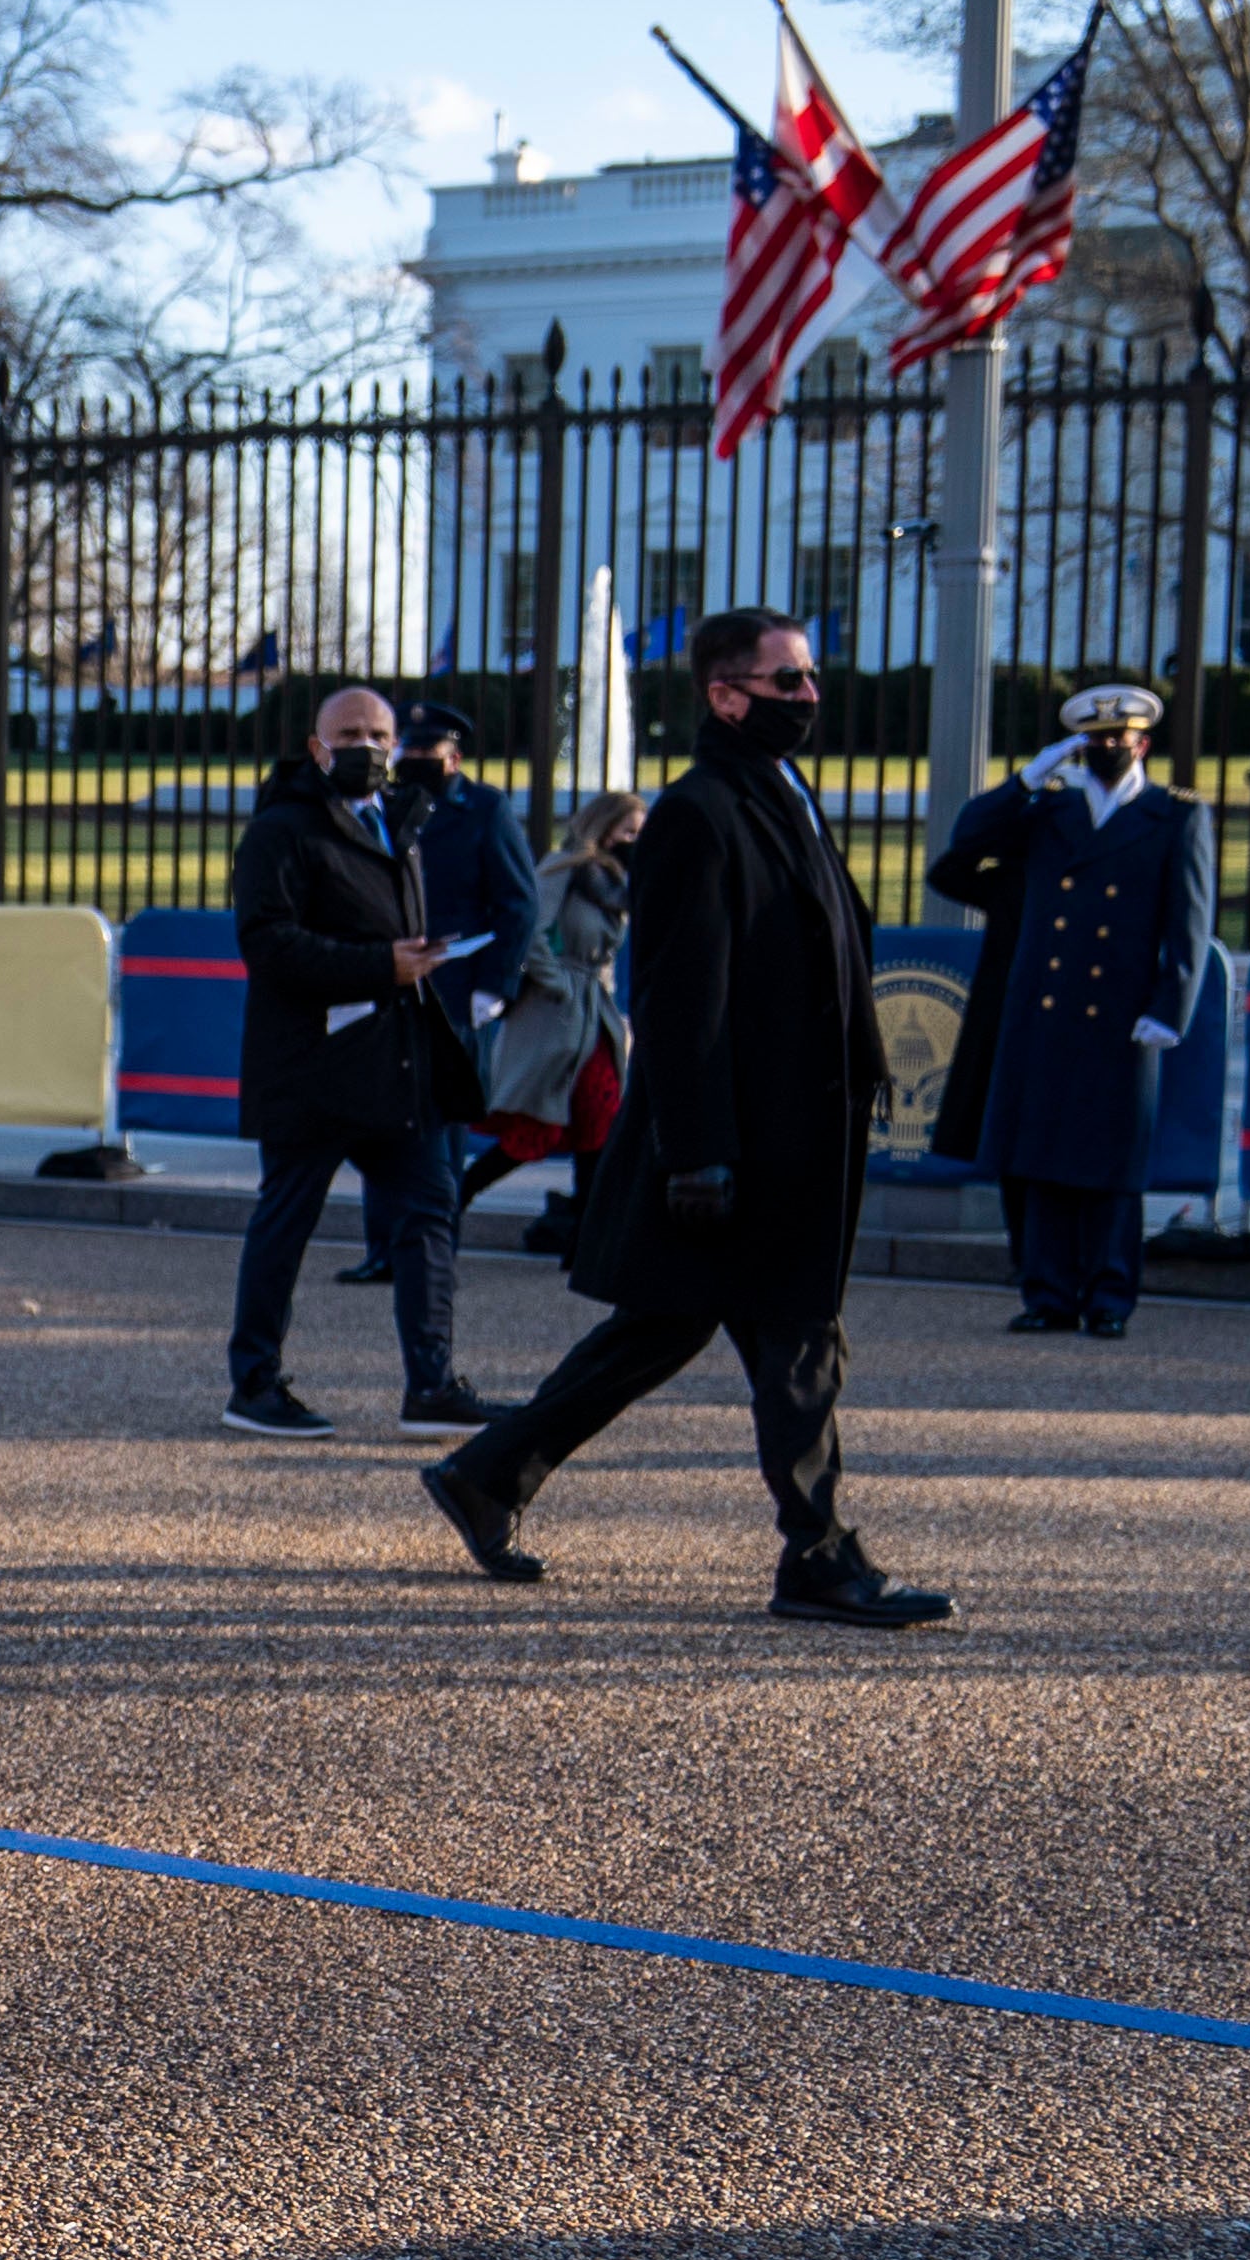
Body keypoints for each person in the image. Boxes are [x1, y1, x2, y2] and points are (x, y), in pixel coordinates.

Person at [417, 612, 946, 1627]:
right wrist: (700, 1152)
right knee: (799, 1346)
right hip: (745, 1143)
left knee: (658, 1333)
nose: (808, 694)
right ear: (724, 694)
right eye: (785, 678)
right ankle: (820, 1559)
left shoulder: (775, 790)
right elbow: (675, 992)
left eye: (810, 675)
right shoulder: (702, 810)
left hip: (792, 1131)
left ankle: (488, 1476)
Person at [220, 685, 498, 1445]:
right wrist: (382, 965)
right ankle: (253, 1385)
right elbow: (268, 945)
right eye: (349, 732)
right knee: (287, 1221)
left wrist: (406, 964)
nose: (368, 746)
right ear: (316, 746)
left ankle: (431, 1385)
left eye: (379, 733)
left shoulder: (397, 821)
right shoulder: (280, 832)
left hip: (390, 1065)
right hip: (311, 1065)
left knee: (428, 1212)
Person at [928, 680, 1215, 1339]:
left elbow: (1189, 922)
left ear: (1142, 743)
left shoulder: (1174, 816)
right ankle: (1046, 1292)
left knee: (1112, 1163)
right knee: (1038, 1156)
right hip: (1042, 1009)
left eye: (1118, 740)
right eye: (1094, 741)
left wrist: (1170, 1006)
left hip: (1122, 1013)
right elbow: (964, 843)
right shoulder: (1048, 812)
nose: (1107, 749)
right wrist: (1026, 778)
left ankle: (1109, 1296)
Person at [346, 704, 539, 1270]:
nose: (410, 761)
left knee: (440, 1130)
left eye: (424, 753)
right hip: (388, 981)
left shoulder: (484, 809)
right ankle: (382, 1249)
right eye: (405, 751)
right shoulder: (387, 803)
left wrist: (495, 985)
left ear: (453, 758)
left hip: (455, 990)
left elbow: (517, 902)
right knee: (381, 1120)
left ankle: (432, 1251)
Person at [480, 790, 646, 1249]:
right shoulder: (566, 868)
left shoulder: (617, 883)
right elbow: (530, 929)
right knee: (537, 1122)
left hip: (592, 1009)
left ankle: (587, 1231)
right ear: (604, 826)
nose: (635, 840)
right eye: (628, 831)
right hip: (557, 1010)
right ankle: (455, 1199)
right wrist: (555, 980)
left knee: (600, 1111)